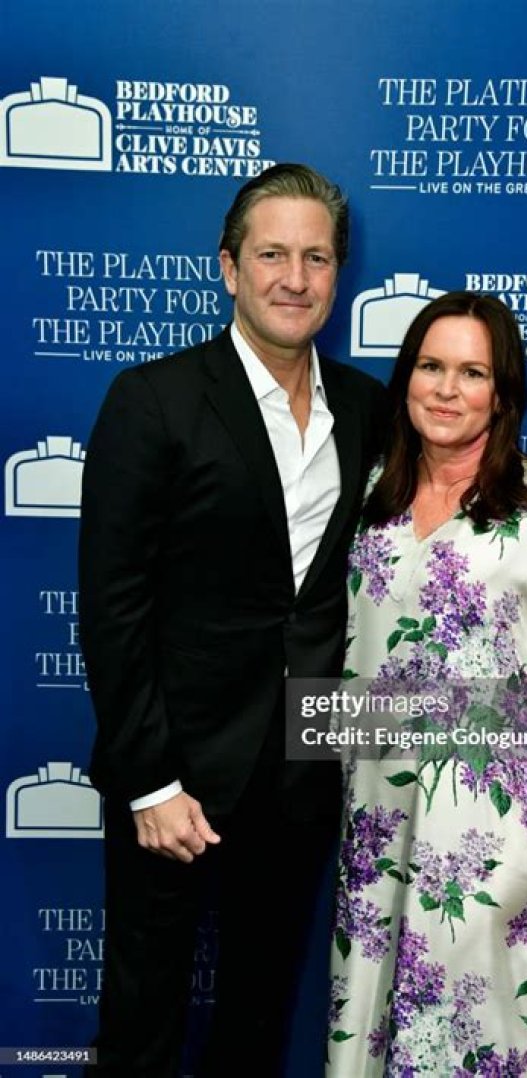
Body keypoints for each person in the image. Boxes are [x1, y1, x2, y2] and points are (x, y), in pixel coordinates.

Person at [78, 163, 387, 1078]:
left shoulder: (366, 409)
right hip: (176, 769)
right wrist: (148, 782)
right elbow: (113, 603)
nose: (295, 278)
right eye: (272, 255)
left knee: (257, 1019)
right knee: (142, 1021)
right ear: (229, 267)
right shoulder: (154, 400)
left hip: (301, 771)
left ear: (338, 274)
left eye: (316, 258)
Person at [326, 291, 527, 1077]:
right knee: (366, 1023)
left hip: (495, 834)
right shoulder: (371, 499)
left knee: (475, 1036)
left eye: (472, 372)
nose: (446, 389)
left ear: (503, 394)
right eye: (430, 366)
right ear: (405, 377)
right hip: (378, 822)